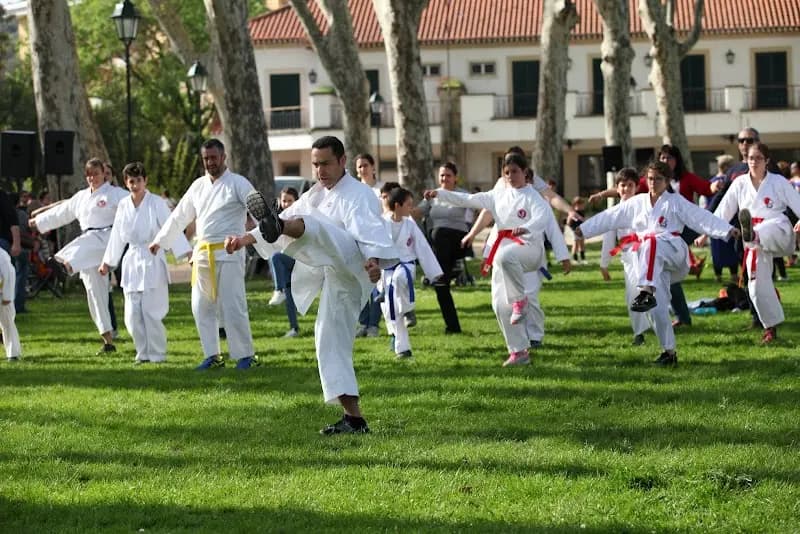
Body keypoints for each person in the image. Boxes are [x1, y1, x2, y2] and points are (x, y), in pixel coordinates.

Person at [228, 135, 397, 435]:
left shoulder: (359, 195)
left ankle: (278, 228)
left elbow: (371, 232)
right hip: (334, 272)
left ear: (343, 161)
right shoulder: (316, 194)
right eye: (316, 164)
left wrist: (373, 263)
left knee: (313, 225)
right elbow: (287, 213)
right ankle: (353, 419)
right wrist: (243, 239)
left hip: (353, 264)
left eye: (326, 163)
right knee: (326, 339)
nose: (320, 170)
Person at [577, 161, 737, 366]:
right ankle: (668, 353)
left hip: (674, 252)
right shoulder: (637, 202)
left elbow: (701, 217)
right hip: (650, 264)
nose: (653, 183)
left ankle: (646, 291)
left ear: (667, 181)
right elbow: (611, 216)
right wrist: (586, 228)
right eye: (650, 179)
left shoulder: (676, 202)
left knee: (651, 241)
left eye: (658, 179)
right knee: (656, 307)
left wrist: (726, 230)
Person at [424, 152, 571, 367]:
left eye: (515, 172)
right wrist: (439, 194)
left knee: (507, 259)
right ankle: (519, 352)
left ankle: (521, 302)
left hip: (529, 251)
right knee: (499, 305)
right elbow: (468, 199)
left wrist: (561, 255)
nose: (511, 176)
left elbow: (544, 221)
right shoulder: (497, 195)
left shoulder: (534, 197)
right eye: (507, 172)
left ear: (525, 173)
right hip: (503, 255)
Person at [149, 138, 258, 370]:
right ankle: (212, 355)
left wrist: (266, 231)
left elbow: (258, 210)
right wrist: (160, 240)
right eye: (206, 158)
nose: (210, 162)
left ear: (224, 157)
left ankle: (245, 355)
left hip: (229, 251)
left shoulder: (238, 183)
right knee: (200, 306)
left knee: (232, 305)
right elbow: (180, 215)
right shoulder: (198, 186)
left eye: (213, 158)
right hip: (203, 252)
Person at [696, 143, 800, 344]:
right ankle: (770, 327)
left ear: (767, 160)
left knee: (764, 229)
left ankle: (754, 234)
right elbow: (723, 212)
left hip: (778, 231)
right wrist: (705, 234)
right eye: (750, 158)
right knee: (755, 287)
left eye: (758, 158)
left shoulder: (778, 182)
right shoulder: (740, 183)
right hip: (753, 242)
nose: (753, 162)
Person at [30, 158, 129, 354]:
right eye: (90, 174)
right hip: (88, 248)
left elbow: (137, 203)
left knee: (86, 241)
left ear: (104, 174)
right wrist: (39, 222)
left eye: (97, 173)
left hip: (107, 239)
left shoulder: (116, 194)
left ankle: (63, 264)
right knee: (94, 292)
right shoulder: (81, 197)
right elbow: (62, 212)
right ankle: (108, 340)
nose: (93, 178)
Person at [100, 163, 191, 364]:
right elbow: (117, 235)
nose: (135, 185)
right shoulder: (123, 205)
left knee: (152, 311)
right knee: (132, 315)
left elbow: (171, 227)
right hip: (132, 259)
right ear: (126, 182)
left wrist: (185, 252)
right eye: (131, 182)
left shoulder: (157, 202)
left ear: (145, 181)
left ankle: (157, 354)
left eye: (139, 181)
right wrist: (108, 261)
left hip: (152, 258)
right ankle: (142, 353)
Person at [381, 186, 443, 359]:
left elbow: (422, 246)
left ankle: (409, 309)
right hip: (386, 269)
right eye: (409, 205)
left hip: (406, 264)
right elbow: (372, 245)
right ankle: (403, 349)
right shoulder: (382, 222)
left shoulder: (410, 224)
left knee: (400, 278)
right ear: (398, 205)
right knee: (392, 311)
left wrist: (434, 272)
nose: (411, 208)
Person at [598, 168, 653, 346]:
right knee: (632, 295)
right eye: (623, 185)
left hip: (647, 253)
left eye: (630, 185)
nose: (627, 189)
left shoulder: (646, 206)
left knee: (651, 292)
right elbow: (608, 239)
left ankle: (659, 325)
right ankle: (639, 332)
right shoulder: (614, 211)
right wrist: (604, 265)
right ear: (617, 187)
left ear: (637, 187)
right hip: (629, 255)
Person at [416, 162, 472, 334]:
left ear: (455, 178)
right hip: (439, 245)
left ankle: (445, 269)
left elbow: (470, 219)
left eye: (448, 175)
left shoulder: (464, 195)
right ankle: (452, 326)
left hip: (458, 240)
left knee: (439, 232)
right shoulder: (433, 195)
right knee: (441, 285)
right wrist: (392, 212)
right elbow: (416, 213)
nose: (444, 178)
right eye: (441, 175)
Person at [354, 153, 384, 338]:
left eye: (365, 165)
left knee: (376, 284)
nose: (362, 169)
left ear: (373, 167)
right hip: (358, 241)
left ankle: (374, 324)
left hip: (377, 240)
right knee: (361, 283)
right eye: (359, 166)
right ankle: (363, 322)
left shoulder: (381, 190)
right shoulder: (355, 191)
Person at [267, 187, 302, 338]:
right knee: (289, 293)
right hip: (287, 261)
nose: (287, 204)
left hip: (302, 260)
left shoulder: (299, 217)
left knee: (275, 257)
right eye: (284, 201)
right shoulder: (278, 218)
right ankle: (294, 328)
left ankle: (278, 289)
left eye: (290, 201)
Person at [708, 154, 739, 283]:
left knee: (717, 248)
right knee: (731, 247)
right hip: (729, 218)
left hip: (714, 218)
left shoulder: (711, 181)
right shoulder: (728, 182)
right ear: (726, 166)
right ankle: (733, 274)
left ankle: (718, 275)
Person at [0, 247, 22, 361]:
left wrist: (7, 296)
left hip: (2, 293)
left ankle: (13, 353)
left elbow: (9, 274)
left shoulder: (1, 255)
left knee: (7, 323)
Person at [568, 196, 587, 264]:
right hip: (575, 230)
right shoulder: (573, 213)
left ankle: (583, 259)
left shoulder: (582, 212)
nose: (582, 206)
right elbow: (569, 222)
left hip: (582, 230)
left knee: (582, 244)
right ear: (576, 204)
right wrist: (573, 229)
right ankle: (574, 259)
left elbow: (584, 221)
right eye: (581, 204)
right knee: (575, 244)